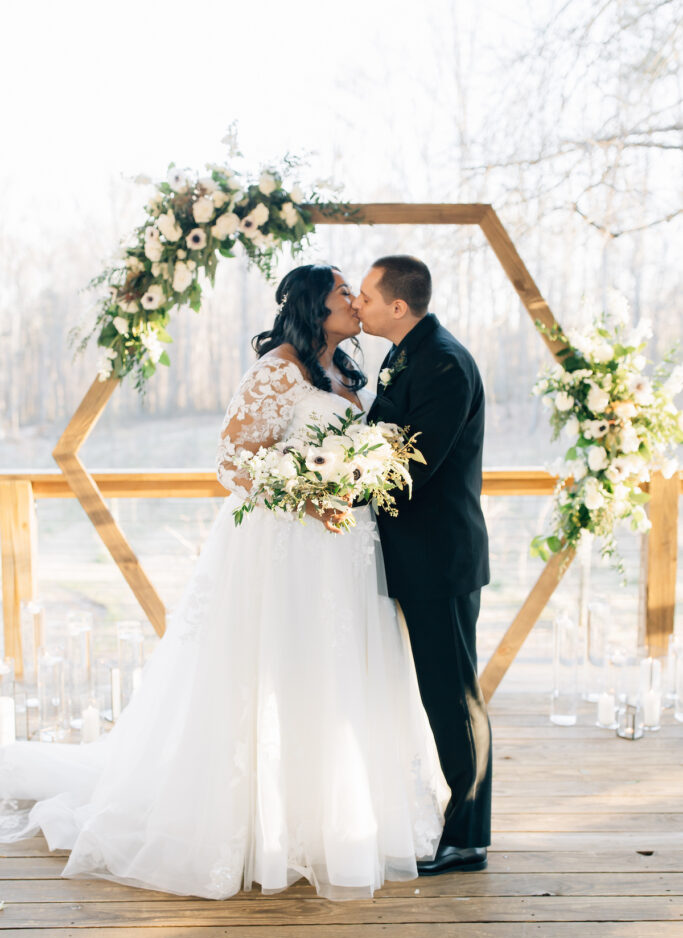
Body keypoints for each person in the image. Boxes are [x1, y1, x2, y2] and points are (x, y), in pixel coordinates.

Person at [0, 264, 449, 901]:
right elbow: (234, 460)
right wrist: (301, 495)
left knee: (332, 674)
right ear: (315, 308)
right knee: (276, 670)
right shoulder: (277, 369)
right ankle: (262, 826)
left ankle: (332, 818)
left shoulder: (350, 370)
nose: (354, 301)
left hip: (346, 549)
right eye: (343, 293)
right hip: (289, 547)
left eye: (358, 292)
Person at [353, 255, 492, 874]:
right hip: (414, 556)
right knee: (438, 692)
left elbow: (412, 466)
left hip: (441, 559)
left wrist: (331, 488)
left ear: (398, 308)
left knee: (453, 696)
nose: (358, 305)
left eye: (365, 296)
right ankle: (454, 821)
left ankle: (467, 837)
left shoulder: (442, 362)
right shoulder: (406, 352)